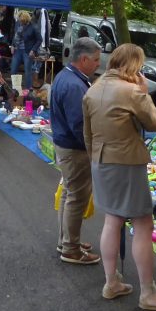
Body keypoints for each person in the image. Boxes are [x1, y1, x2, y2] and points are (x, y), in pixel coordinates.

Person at [84, 44, 156, 311]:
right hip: (126, 162)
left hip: (100, 161)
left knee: (112, 220)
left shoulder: (93, 89)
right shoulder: (132, 91)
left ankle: (111, 281)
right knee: (143, 224)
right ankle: (148, 292)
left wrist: (96, 159)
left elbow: (87, 134)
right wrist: (145, 93)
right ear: (134, 65)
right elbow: (155, 122)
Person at [50, 36, 102, 266]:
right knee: (77, 198)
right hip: (74, 148)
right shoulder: (73, 85)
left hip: (66, 144)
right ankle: (70, 247)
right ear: (83, 59)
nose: (98, 64)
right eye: (96, 60)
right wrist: (95, 148)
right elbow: (80, 126)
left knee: (70, 195)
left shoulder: (67, 77)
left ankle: (66, 241)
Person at [11, 11, 41, 90]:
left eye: (22, 21)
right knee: (13, 70)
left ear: (26, 20)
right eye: (20, 21)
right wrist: (12, 45)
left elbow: (39, 40)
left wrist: (33, 50)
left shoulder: (33, 27)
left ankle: (28, 91)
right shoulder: (18, 23)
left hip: (27, 51)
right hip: (17, 50)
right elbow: (15, 35)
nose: (21, 23)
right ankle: (16, 90)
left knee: (28, 72)